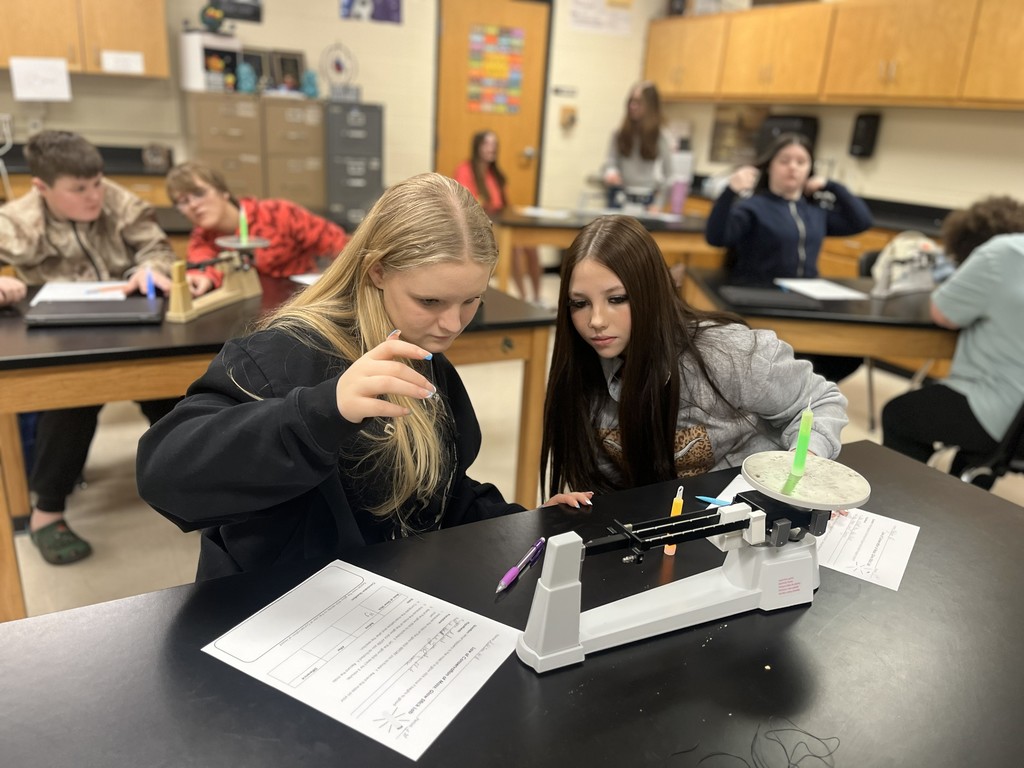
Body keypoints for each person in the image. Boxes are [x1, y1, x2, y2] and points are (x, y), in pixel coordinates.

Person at [137, 172, 591, 580]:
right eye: (430, 302)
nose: (453, 325)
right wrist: (322, 412)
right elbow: (165, 475)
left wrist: (522, 525)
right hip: (285, 607)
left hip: (384, 596)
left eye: (471, 300)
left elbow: (439, 494)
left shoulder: (423, 354)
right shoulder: (279, 355)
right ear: (377, 270)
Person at [0, 130, 211, 565]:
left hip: (138, 328)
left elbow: (156, 247)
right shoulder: (16, 220)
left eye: (97, 182)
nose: (94, 195)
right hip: (61, 337)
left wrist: (148, 269)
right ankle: (46, 512)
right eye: (79, 189)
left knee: (177, 403)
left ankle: (204, 492)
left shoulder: (120, 202)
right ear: (41, 188)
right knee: (69, 403)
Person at [541, 215, 848, 497]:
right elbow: (606, 486)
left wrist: (803, 463)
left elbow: (820, 401)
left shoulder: (729, 354)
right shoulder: (581, 372)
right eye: (579, 304)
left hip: (755, 515)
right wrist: (584, 507)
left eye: (617, 299)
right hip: (665, 525)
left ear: (651, 292)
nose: (596, 321)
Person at [704, 132, 873, 383]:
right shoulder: (753, 207)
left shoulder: (815, 211)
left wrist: (831, 185)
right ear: (770, 166)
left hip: (808, 301)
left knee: (849, 354)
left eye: (801, 162)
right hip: (764, 299)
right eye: (784, 161)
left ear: (809, 170)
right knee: (788, 361)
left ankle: (802, 393)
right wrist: (730, 191)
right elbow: (717, 237)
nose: (793, 167)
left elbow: (861, 221)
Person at [882, 196, 1024, 489]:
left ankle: (901, 501)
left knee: (900, 416)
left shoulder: (1002, 251)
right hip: (1018, 425)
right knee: (970, 447)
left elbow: (943, 314)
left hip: (1002, 410)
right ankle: (965, 497)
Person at [165, 161, 348, 293]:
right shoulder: (201, 237)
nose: (193, 205)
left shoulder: (278, 213)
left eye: (199, 193)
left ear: (223, 192)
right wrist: (199, 278)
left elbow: (339, 244)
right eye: (183, 202)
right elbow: (202, 266)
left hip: (301, 306)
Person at [453, 130, 543, 305]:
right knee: (515, 247)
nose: (491, 148)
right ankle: (523, 298)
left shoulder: (495, 173)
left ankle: (537, 297)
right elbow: (466, 202)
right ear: (477, 147)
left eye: (494, 145)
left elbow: (503, 203)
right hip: (482, 224)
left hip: (502, 220)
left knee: (531, 245)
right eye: (486, 144)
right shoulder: (465, 170)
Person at [601, 81, 674, 211]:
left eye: (639, 102)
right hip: (620, 197)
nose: (633, 106)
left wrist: (659, 204)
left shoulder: (661, 136)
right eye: (631, 101)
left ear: (651, 105)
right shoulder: (619, 133)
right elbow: (610, 162)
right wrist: (611, 173)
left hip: (647, 200)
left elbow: (669, 175)